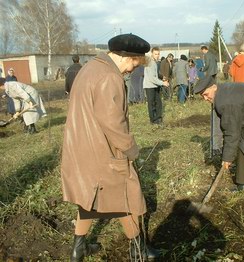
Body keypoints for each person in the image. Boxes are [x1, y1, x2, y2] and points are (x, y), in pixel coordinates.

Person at [60, 34, 160, 261]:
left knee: (89, 199)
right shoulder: (109, 77)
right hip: (101, 151)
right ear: (125, 57)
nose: (132, 70)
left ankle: (79, 248)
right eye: (134, 63)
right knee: (127, 197)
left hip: (81, 149)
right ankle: (138, 249)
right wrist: (131, 150)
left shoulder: (90, 68)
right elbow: (113, 123)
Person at [143, 47, 169, 125]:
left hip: (155, 85)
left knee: (158, 102)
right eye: (155, 54)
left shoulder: (154, 62)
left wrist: (162, 77)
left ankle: (158, 119)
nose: (157, 55)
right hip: (149, 86)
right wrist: (163, 83)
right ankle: (153, 121)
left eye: (158, 54)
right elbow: (152, 78)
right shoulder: (150, 62)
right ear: (152, 54)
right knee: (152, 104)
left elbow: (155, 74)